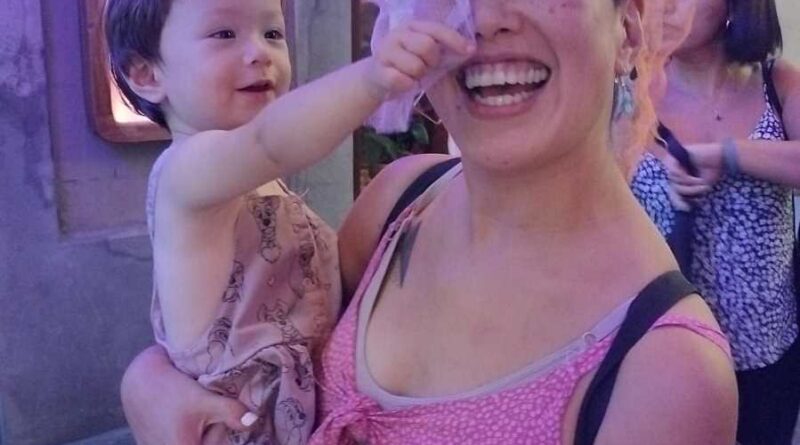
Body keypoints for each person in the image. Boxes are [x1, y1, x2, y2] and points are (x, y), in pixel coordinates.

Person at [121, 1, 738, 444]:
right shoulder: (398, 202)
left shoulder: (666, 371)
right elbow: (253, 321)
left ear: (628, 26)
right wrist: (149, 382)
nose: (484, 18)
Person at [105, 0, 472, 443]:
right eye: (224, 34)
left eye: (272, 34)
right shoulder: (185, 175)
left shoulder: (253, 180)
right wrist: (372, 78)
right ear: (146, 75)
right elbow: (269, 143)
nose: (259, 52)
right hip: (244, 425)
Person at [630, 0, 800, 443]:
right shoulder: (628, 92)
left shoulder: (777, 82)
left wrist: (731, 155)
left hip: (767, 356)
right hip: (662, 361)